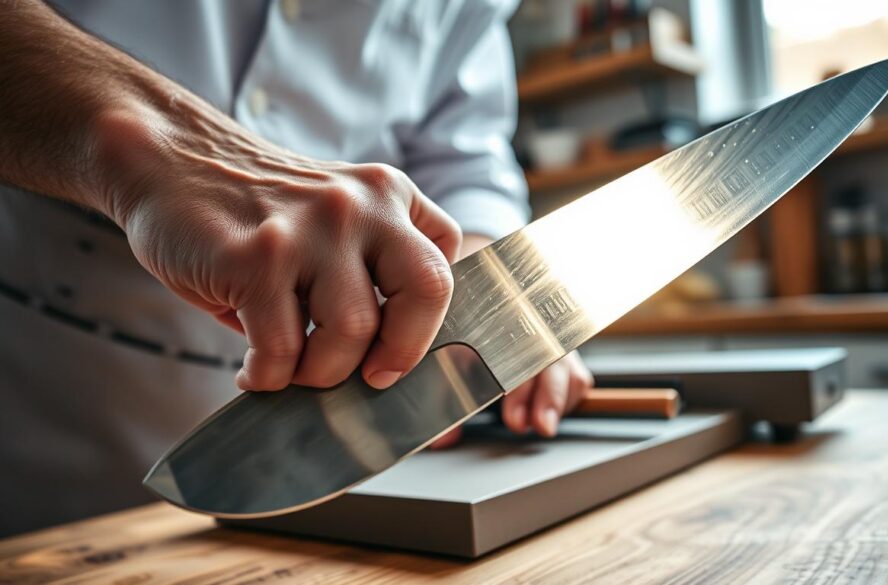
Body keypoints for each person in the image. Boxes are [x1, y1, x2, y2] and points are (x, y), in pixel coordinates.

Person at [0, 0, 593, 537]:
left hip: (302, 434)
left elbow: (465, 168)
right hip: (36, 380)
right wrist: (167, 148)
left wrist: (491, 305)